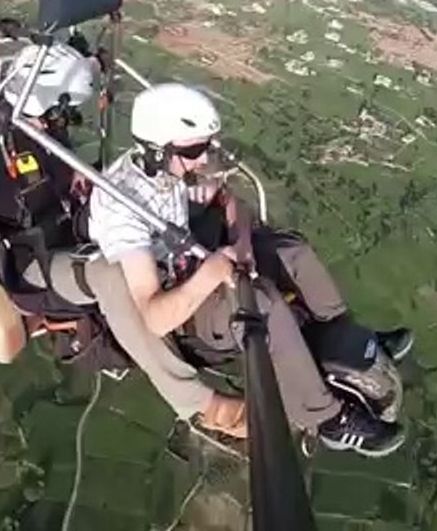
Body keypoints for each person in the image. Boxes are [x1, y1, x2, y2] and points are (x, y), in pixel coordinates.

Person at [0, 42, 248, 439]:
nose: (65, 121)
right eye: (63, 112)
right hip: (37, 265)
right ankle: (200, 404)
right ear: (49, 103)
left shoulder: (43, 129)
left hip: (74, 230)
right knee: (111, 275)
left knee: (169, 220)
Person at [86, 82, 411, 457]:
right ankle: (327, 420)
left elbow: (231, 202)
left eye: (204, 146)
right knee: (262, 302)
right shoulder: (125, 206)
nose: (202, 158)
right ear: (157, 149)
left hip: (201, 265)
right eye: (193, 150)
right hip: (186, 312)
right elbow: (155, 318)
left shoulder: (168, 173)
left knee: (293, 252)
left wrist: (242, 248)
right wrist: (212, 271)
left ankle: (344, 340)